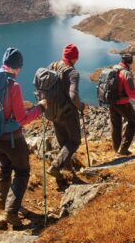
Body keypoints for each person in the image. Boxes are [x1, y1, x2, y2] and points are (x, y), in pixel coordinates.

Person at [0, 47, 47, 226]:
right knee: (22, 171)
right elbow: (22, 118)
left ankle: (3, 200)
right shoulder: (13, 86)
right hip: (11, 139)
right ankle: (11, 212)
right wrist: (40, 108)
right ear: (17, 67)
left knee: (5, 165)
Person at [46, 43, 87, 178]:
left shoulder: (52, 66)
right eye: (76, 57)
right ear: (74, 58)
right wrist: (82, 106)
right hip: (68, 113)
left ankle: (67, 171)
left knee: (64, 143)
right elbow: (73, 96)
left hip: (53, 113)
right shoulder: (72, 72)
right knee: (74, 141)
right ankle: (56, 166)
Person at [110, 54, 135, 156]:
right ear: (130, 62)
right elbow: (131, 93)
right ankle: (123, 149)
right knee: (133, 122)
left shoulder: (115, 68)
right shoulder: (126, 73)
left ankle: (115, 149)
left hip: (112, 101)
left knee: (116, 125)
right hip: (122, 103)